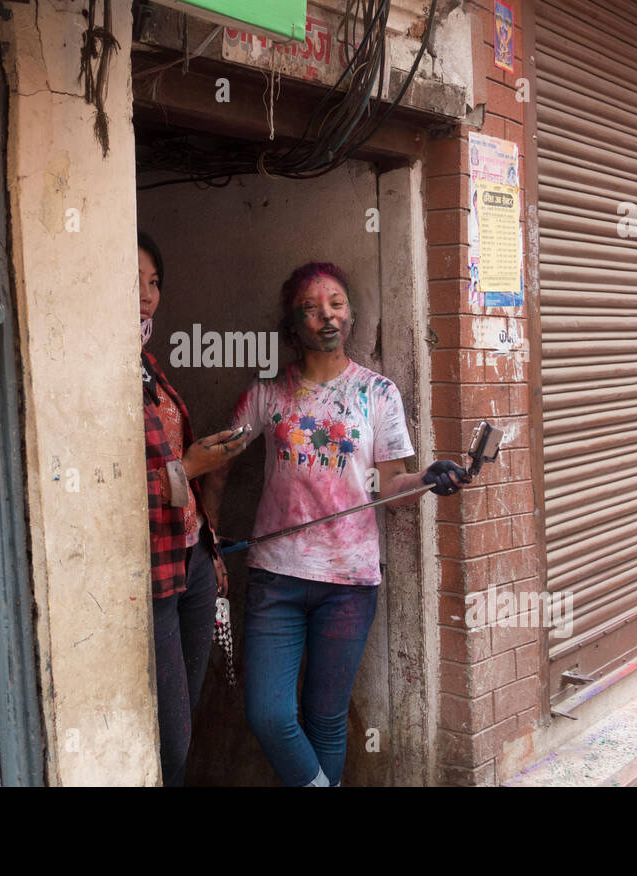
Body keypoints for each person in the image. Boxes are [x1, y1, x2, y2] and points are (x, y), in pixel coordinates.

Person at [201, 261, 470, 787]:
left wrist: (426, 479)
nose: (326, 315)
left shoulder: (379, 394)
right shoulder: (266, 396)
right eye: (310, 307)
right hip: (276, 578)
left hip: (348, 584)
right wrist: (209, 538)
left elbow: (391, 492)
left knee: (326, 720)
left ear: (349, 315)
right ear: (293, 325)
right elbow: (218, 464)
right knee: (269, 715)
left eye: (336, 304)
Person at [138, 231, 247, 787]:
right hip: (151, 580)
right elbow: (105, 493)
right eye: (131, 282)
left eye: (152, 283)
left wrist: (213, 551)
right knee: (170, 738)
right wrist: (192, 466)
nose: (145, 296)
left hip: (194, 563)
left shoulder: (150, 370)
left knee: (187, 721)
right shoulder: (95, 374)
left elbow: (175, 470)